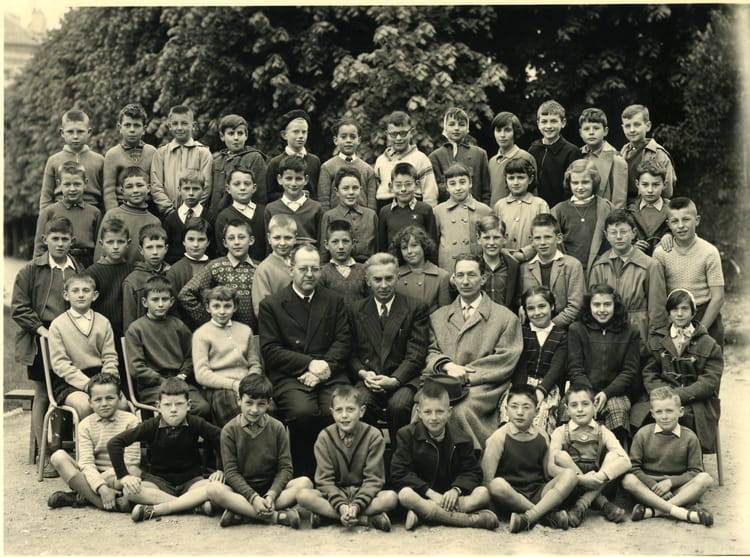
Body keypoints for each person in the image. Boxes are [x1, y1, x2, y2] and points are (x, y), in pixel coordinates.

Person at [258, 244, 351, 478]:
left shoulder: (334, 300)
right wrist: (309, 364)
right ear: (291, 270)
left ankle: (338, 475)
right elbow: (270, 350)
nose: (309, 274)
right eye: (303, 269)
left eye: (315, 269)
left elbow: (344, 341)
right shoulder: (272, 304)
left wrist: (324, 368)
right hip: (291, 375)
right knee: (303, 413)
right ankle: (304, 476)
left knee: (338, 411)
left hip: (330, 372)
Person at [424, 254, 523, 449]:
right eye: (460, 275)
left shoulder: (505, 318)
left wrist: (466, 375)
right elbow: (429, 350)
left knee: (460, 411)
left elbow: (506, 359)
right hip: (444, 381)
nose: (465, 281)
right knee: (426, 408)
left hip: (484, 387)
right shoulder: (438, 317)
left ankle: (473, 460)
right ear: (453, 279)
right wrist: (447, 366)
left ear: (483, 278)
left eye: (471, 275)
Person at [12, 217, 85, 477]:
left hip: (71, 337)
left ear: (72, 241)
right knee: (43, 394)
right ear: (45, 240)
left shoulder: (78, 268)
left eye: (65, 239)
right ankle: (46, 454)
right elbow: (19, 308)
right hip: (40, 337)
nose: (60, 243)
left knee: (66, 391)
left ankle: (65, 449)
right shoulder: (31, 270)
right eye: (55, 238)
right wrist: (42, 330)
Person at [107, 377, 224, 522]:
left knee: (215, 487)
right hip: (158, 483)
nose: (173, 409)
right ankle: (191, 505)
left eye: (179, 404)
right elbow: (114, 443)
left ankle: (160, 508)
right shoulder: (151, 426)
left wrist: (221, 469)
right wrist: (123, 476)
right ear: (158, 406)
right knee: (130, 492)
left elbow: (222, 438)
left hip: (191, 481)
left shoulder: (195, 423)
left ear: (188, 405)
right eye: (167, 405)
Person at [391, 378, 499, 530]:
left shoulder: (462, 438)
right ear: (419, 413)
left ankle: (425, 513)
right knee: (405, 494)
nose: (434, 418)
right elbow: (399, 472)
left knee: (482, 493)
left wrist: (456, 489)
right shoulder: (406, 434)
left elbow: (472, 472)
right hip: (422, 494)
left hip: (450, 498)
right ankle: (471, 520)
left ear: (449, 412)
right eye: (428, 412)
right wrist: (430, 493)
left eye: (440, 411)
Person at [208, 375, 311, 528]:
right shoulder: (229, 430)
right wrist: (253, 498)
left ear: (269, 403)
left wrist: (272, 494)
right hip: (241, 491)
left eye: (261, 404)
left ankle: (242, 513)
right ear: (239, 400)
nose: (254, 410)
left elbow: (285, 468)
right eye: (249, 403)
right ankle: (277, 516)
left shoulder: (277, 427)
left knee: (305, 483)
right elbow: (231, 472)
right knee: (213, 489)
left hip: (272, 489)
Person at [348, 253, 429, 443]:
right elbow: (350, 352)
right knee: (360, 404)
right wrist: (363, 374)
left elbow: (416, 353)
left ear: (397, 277)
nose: (384, 285)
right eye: (377, 279)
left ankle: (402, 455)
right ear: (368, 281)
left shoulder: (415, 307)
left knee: (399, 406)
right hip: (370, 379)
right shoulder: (355, 309)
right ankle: (373, 452)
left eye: (389, 278)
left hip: (403, 378)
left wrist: (395, 379)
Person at [296, 385, 398, 531]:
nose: (344, 415)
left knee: (391, 498)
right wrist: (341, 506)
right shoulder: (324, 437)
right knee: (303, 496)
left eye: (350, 409)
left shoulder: (373, 436)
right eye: (339, 410)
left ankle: (328, 516)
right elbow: (324, 481)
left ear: (361, 411)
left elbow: (374, 479)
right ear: (332, 413)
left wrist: (357, 505)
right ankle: (365, 519)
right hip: (335, 493)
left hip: (364, 493)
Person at [483, 384, 577, 533]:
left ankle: (528, 517)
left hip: (537, 493)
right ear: (506, 410)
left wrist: (576, 478)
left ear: (537, 411)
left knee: (570, 475)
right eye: (514, 407)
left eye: (526, 407)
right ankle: (545, 516)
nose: (520, 412)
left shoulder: (542, 435)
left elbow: (547, 472)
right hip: (511, 496)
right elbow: (487, 481)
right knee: (496, 485)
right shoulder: (498, 438)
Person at [640, 289, 722, 452]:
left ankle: (687, 460)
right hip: (661, 396)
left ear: (693, 312)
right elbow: (649, 373)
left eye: (684, 309)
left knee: (685, 416)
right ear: (669, 313)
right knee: (643, 415)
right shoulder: (657, 340)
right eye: (674, 309)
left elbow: (709, 382)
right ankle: (655, 459)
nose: (679, 314)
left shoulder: (709, 344)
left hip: (695, 400)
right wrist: (663, 395)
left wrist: (678, 396)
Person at [622, 386, 714, 527]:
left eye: (669, 411)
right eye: (659, 412)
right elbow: (633, 467)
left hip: (678, 489)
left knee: (705, 479)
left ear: (680, 412)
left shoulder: (690, 437)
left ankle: (654, 511)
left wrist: (670, 483)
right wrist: (654, 486)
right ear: (652, 414)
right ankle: (680, 511)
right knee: (628, 480)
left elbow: (695, 471)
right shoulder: (643, 434)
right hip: (649, 489)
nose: (664, 416)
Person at [47, 373, 140, 511]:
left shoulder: (131, 421)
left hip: (119, 476)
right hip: (92, 474)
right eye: (98, 400)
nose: (104, 404)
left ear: (120, 398)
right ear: (90, 402)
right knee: (58, 457)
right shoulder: (85, 425)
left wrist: (99, 482)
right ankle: (102, 502)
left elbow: (131, 462)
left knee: (134, 471)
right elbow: (86, 464)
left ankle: (83, 495)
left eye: (110, 398)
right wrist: (101, 487)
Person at [124, 276, 209, 417]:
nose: (160, 304)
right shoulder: (136, 329)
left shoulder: (178, 325)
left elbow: (191, 355)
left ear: (171, 302)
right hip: (153, 387)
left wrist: (183, 375)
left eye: (164, 299)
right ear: (145, 302)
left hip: (180, 382)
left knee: (202, 408)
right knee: (170, 409)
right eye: (155, 300)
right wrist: (162, 380)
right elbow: (136, 368)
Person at [47, 273, 128, 419]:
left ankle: (113, 435)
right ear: (66, 295)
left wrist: (107, 382)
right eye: (75, 291)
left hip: (102, 379)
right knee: (85, 406)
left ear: (94, 295)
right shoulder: (58, 325)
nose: (81, 295)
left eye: (86, 290)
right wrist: (87, 385)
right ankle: (88, 435)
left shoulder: (103, 322)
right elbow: (60, 364)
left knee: (122, 405)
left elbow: (110, 357)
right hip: (70, 382)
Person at [567, 284, 640, 444]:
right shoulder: (577, 329)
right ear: (589, 306)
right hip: (584, 390)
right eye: (596, 305)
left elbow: (629, 371)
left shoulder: (630, 331)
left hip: (615, 392)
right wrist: (589, 395)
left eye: (607, 304)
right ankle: (577, 454)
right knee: (572, 410)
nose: (602, 310)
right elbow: (575, 369)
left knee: (617, 411)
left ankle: (615, 455)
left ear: (615, 305)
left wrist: (606, 393)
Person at [548, 386, 630, 527]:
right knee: (561, 456)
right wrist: (583, 480)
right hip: (572, 487)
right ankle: (602, 503)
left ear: (594, 406)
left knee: (614, 455)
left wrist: (598, 478)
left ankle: (581, 505)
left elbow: (626, 461)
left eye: (585, 404)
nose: (580, 409)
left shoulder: (602, 431)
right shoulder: (560, 432)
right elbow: (550, 468)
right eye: (574, 405)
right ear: (567, 409)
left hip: (600, 484)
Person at [589, 209, 668, 348]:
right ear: (606, 235)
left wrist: (654, 344)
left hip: (639, 334)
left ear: (633, 233)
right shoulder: (599, 266)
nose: (619, 237)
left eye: (623, 232)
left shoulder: (650, 266)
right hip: (608, 335)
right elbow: (593, 306)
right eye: (613, 232)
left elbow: (657, 311)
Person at [652, 197, 725, 346]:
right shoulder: (660, 253)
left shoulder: (709, 252)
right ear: (668, 224)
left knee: (709, 358)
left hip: (705, 316)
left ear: (697, 220)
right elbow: (657, 296)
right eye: (675, 221)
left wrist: (699, 331)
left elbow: (718, 298)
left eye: (686, 219)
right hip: (673, 316)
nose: (681, 226)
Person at [499, 286, 566, 436]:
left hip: (547, 387)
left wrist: (541, 391)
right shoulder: (522, 332)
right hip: (521, 384)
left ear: (552, 306)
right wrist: (522, 391)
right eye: (531, 308)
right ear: (525, 311)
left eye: (542, 306)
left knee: (540, 414)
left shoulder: (561, 335)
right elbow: (520, 364)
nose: (537, 312)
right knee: (511, 412)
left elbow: (557, 367)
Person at [192, 285, 263, 427]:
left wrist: (250, 382)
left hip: (248, 385)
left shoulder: (245, 330)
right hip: (220, 389)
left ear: (235, 307)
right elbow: (201, 374)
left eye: (227, 306)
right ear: (208, 308)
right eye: (216, 306)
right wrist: (232, 384)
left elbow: (254, 363)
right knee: (239, 416)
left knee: (267, 410)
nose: (222, 311)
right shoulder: (201, 334)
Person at [178, 219, 258, 330]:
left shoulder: (259, 268)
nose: (236, 242)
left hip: (255, 333)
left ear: (251, 240)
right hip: (223, 333)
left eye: (241, 237)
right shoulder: (216, 266)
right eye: (231, 238)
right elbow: (186, 295)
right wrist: (211, 321)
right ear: (225, 243)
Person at [519, 213, 585, 328]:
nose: (542, 242)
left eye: (548, 237)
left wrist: (551, 326)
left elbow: (576, 306)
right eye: (537, 238)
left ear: (558, 238)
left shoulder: (572, 265)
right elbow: (519, 298)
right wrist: (521, 306)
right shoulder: (525, 267)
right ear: (532, 240)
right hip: (533, 326)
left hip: (564, 328)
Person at [551, 159, 613, 278]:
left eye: (585, 182)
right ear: (569, 183)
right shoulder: (559, 210)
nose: (580, 187)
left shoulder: (605, 207)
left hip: (599, 269)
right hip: (568, 270)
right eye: (575, 183)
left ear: (594, 182)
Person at [33, 161, 101, 268]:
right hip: (58, 262)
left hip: (87, 263)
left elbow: (100, 246)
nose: (72, 189)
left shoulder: (95, 213)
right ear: (59, 183)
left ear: (85, 183)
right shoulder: (49, 212)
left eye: (77, 184)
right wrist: (39, 269)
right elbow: (40, 248)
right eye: (67, 184)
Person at [150, 104, 212, 216]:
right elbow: (156, 186)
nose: (179, 128)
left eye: (184, 123)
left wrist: (191, 211)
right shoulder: (161, 153)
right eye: (175, 124)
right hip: (168, 215)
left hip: (194, 215)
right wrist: (169, 211)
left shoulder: (203, 153)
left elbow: (206, 187)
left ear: (193, 126)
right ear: (169, 126)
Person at [40, 109, 105, 212]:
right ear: (62, 133)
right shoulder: (53, 161)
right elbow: (46, 198)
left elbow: (105, 196)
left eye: (80, 132)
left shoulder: (99, 160)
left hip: (92, 212)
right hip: (61, 212)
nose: (75, 136)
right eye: (70, 132)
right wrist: (45, 218)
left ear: (89, 132)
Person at [93, 166, 161, 265]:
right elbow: (100, 252)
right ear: (122, 191)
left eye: (139, 185)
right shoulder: (113, 215)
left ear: (148, 188)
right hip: (114, 271)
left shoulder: (154, 221)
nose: (135, 190)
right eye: (129, 187)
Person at [433, 162, 492, 272]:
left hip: (474, 268)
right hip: (448, 268)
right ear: (446, 187)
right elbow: (433, 244)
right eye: (452, 184)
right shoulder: (438, 211)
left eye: (462, 182)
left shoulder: (484, 210)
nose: (458, 188)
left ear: (470, 183)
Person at [374, 111, 439, 209]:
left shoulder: (421, 159)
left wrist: (427, 215)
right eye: (394, 134)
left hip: (413, 210)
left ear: (411, 133)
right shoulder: (381, 161)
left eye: (403, 133)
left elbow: (430, 195)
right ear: (387, 134)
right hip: (386, 211)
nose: (398, 138)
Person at [428, 107, 490, 203]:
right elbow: (433, 192)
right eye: (452, 124)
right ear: (445, 127)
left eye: (461, 124)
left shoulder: (479, 154)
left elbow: (486, 192)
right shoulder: (435, 157)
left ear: (467, 127)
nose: (456, 128)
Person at [209, 113, 268, 213]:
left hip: (243, 214)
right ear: (222, 136)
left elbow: (260, 195)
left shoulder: (254, 158)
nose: (236, 138)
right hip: (216, 216)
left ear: (246, 136)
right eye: (231, 133)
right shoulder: (217, 161)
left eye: (240, 133)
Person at [493, 158, 550, 261]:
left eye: (521, 177)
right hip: (505, 261)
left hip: (533, 261)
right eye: (511, 178)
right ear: (506, 179)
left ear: (530, 179)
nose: (516, 182)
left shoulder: (540, 205)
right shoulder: (500, 206)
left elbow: (545, 234)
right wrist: (505, 253)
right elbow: (494, 234)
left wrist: (525, 254)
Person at [102, 103, 156, 212]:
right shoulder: (113, 155)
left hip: (147, 209)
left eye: (136, 125)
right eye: (127, 125)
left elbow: (156, 185)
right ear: (120, 128)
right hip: (122, 208)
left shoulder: (152, 152)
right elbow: (109, 191)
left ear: (144, 129)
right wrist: (114, 215)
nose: (132, 130)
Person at [86, 218, 132, 344]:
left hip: (126, 333)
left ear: (128, 243)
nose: (115, 247)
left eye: (120, 242)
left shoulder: (132, 270)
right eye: (110, 242)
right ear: (101, 244)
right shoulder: (92, 273)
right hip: (101, 334)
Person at [317, 118, 378, 213]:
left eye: (353, 137)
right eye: (344, 137)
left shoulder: (368, 170)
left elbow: (371, 204)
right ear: (336, 140)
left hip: (362, 219)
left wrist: (369, 219)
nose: (348, 140)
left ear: (359, 140)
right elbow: (323, 201)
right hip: (336, 219)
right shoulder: (327, 167)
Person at [527, 100, 579, 208]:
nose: (548, 126)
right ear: (538, 124)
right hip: (535, 208)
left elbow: (572, 187)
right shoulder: (533, 150)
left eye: (553, 121)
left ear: (563, 123)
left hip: (561, 208)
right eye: (544, 121)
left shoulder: (572, 152)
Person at [320, 167, 378, 263]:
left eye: (355, 188)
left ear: (361, 189)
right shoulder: (329, 216)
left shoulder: (371, 215)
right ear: (336, 191)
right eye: (345, 188)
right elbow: (324, 253)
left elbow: (377, 248)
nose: (351, 192)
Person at [619, 104, 676, 204]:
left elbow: (667, 191)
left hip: (650, 206)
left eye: (637, 125)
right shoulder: (624, 152)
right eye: (627, 126)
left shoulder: (657, 153)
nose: (632, 130)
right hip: (625, 207)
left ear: (648, 126)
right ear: (623, 128)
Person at [378, 162, 437, 253]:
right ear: (391, 186)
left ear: (417, 185)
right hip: (393, 261)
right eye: (398, 185)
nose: (403, 189)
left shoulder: (425, 210)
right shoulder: (385, 212)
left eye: (408, 184)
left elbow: (432, 244)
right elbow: (382, 246)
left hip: (419, 261)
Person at [391, 225, 450, 314]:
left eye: (414, 245)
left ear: (424, 246)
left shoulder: (441, 276)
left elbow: (444, 313)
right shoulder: (395, 275)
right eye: (404, 248)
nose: (409, 251)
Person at [265, 155, 323, 244]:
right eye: (288, 178)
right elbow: (269, 244)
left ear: (306, 180)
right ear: (280, 179)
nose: (293, 183)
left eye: (298, 179)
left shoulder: (316, 208)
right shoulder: (271, 209)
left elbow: (321, 242)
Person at [122, 224, 170, 332]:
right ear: (141, 250)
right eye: (149, 247)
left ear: (166, 248)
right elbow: (129, 322)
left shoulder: (172, 274)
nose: (155, 252)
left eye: (159, 247)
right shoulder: (132, 281)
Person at [265, 109, 321, 202]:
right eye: (296, 132)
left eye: (304, 132)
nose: (301, 136)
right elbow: (269, 195)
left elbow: (318, 192)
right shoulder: (275, 163)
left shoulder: (314, 161)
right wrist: (294, 195)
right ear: (284, 135)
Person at [214, 166, 267, 261]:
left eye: (247, 184)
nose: (242, 188)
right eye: (237, 184)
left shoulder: (265, 212)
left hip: (264, 266)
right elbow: (222, 251)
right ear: (228, 188)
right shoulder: (224, 217)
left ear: (254, 188)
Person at [578, 107, 628, 209]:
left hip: (606, 212)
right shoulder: (578, 155)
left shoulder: (616, 160)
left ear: (605, 131)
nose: (591, 132)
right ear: (581, 133)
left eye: (596, 128)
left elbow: (619, 201)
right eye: (586, 129)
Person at [162, 169, 214, 264]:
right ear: (179, 190)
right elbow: (165, 249)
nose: (191, 193)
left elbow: (214, 250)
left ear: (203, 190)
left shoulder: (211, 218)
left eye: (196, 189)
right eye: (186, 189)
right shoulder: (170, 220)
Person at [488, 111, 537, 207]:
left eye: (507, 130)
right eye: (498, 130)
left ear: (515, 132)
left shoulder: (525, 157)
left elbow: (533, 191)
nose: (502, 135)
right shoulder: (492, 162)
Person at [251, 214, 295, 316]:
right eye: (277, 238)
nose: (282, 243)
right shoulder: (264, 270)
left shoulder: (299, 263)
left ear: (295, 238)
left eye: (288, 238)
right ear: (269, 238)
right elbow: (261, 309)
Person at [165, 217, 212, 313]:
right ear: (183, 241)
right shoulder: (175, 271)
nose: (195, 244)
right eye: (191, 239)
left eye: (201, 239)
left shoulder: (214, 267)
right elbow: (172, 306)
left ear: (208, 242)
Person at [627, 159, 672, 256]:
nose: (650, 190)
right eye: (645, 185)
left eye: (655, 185)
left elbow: (682, 231)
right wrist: (631, 246)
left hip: (664, 261)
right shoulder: (629, 211)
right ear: (637, 184)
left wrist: (670, 235)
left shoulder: (672, 210)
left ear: (664, 184)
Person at [318, 219, 368, 306]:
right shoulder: (323, 273)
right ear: (326, 245)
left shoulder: (364, 270)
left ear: (353, 243)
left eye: (345, 241)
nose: (341, 246)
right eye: (335, 242)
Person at [475, 215, 520, 310]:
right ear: (478, 239)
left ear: (505, 238)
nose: (491, 243)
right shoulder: (472, 265)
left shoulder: (513, 266)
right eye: (486, 238)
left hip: (505, 316)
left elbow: (516, 296)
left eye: (496, 237)